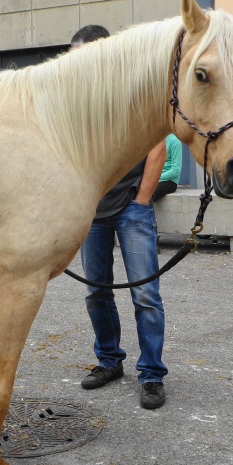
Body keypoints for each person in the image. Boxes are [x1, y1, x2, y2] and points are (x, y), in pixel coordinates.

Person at [71, 25, 169, 410]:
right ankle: (109, 361)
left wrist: (142, 200)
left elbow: (158, 147)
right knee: (96, 291)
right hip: (92, 209)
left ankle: (151, 374)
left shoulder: (132, 94)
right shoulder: (77, 101)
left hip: (131, 206)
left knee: (145, 293)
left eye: (80, 55)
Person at [151, 134, 183, 202]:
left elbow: (176, 170)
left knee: (147, 196)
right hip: (153, 179)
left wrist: (156, 178)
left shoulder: (175, 141)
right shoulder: (153, 140)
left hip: (168, 181)